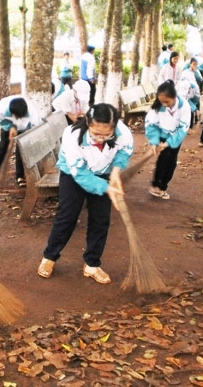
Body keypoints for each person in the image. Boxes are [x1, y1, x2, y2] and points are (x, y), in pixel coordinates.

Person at [37, 103, 133, 284]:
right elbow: (80, 174)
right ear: (88, 122)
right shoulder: (72, 135)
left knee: (101, 219)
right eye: (96, 133)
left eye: (107, 135)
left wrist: (115, 171)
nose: (101, 139)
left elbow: (124, 152)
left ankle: (92, 264)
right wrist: (106, 188)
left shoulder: (123, 132)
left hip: (103, 171)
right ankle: (49, 257)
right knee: (67, 216)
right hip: (74, 174)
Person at [145, 80, 191, 200]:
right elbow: (151, 125)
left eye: (167, 101)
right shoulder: (157, 106)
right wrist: (154, 142)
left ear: (174, 97)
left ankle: (163, 186)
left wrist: (169, 143)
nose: (164, 104)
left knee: (171, 161)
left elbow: (183, 128)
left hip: (176, 137)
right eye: (162, 101)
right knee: (163, 159)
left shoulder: (184, 106)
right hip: (161, 134)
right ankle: (156, 185)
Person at [0, 95, 42, 187]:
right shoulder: (2, 109)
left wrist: (26, 136)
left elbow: (34, 127)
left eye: (21, 116)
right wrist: (11, 127)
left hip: (25, 128)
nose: (19, 118)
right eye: (17, 116)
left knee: (21, 148)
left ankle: (19, 176)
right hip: (7, 124)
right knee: (3, 146)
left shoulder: (32, 113)